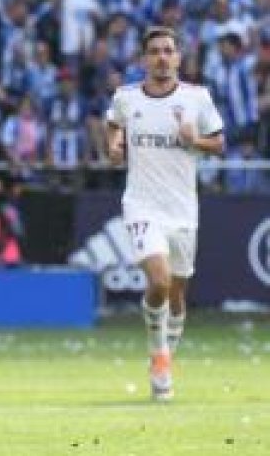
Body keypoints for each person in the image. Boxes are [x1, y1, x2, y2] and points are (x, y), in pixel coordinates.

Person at [105, 26, 224, 402]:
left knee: (177, 292)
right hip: (141, 204)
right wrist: (113, 142)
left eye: (167, 51)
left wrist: (195, 141)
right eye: (154, 51)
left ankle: (165, 357)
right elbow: (113, 123)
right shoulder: (127, 98)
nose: (161, 57)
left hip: (183, 209)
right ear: (144, 59)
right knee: (158, 281)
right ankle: (158, 356)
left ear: (177, 57)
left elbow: (219, 144)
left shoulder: (197, 98)